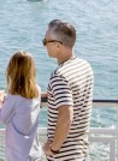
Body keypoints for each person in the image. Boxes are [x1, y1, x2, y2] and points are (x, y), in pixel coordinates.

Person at [42, 19, 93, 161]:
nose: (44, 45)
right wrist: (50, 95)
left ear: (58, 45)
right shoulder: (84, 66)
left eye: (46, 41)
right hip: (80, 152)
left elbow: (66, 117)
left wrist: (53, 149)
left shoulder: (59, 76)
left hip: (63, 156)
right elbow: (74, 95)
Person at [0, 51, 43, 161]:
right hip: (34, 152)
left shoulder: (14, 96)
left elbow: (1, 118)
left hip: (18, 155)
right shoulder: (37, 90)